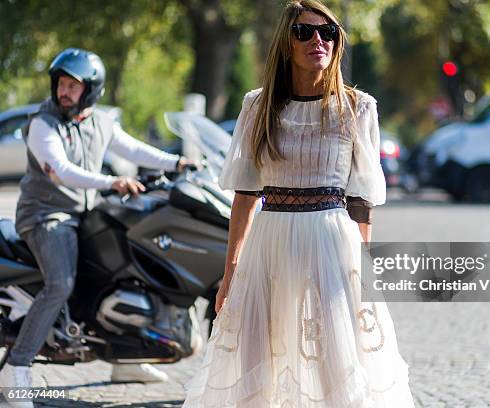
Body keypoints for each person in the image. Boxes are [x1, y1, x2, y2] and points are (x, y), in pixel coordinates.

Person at [182, 1, 415, 407]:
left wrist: (362, 267)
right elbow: (245, 195)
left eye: (328, 33)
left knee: (335, 360)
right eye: (305, 32)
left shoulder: (357, 108)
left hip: (331, 244)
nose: (318, 41)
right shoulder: (258, 107)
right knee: (257, 356)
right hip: (268, 244)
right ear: (286, 43)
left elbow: (362, 201)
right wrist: (230, 272)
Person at [0, 48, 197, 408]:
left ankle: (126, 360)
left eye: (72, 86)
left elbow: (135, 149)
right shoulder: (43, 123)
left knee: (124, 267)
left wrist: (178, 162)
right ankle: (17, 367)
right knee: (60, 283)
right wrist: (112, 182)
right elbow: (60, 170)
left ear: (91, 90)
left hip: (85, 214)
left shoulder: (101, 122)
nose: (64, 91)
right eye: (61, 84)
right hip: (46, 217)